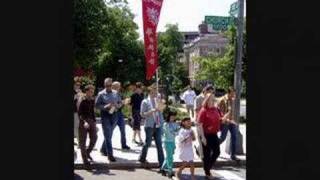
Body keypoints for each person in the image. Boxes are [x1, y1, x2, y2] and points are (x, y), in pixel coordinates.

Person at [197, 93, 229, 180]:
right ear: (207, 100)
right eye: (211, 99)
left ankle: (207, 167)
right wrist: (203, 137)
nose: (213, 100)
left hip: (214, 134)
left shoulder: (215, 109)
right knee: (207, 155)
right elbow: (199, 124)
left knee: (217, 152)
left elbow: (220, 119)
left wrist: (225, 118)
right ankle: (207, 172)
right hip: (206, 135)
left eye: (213, 99)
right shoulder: (203, 110)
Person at [138, 85, 165, 172]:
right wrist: (152, 110)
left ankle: (162, 165)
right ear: (150, 92)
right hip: (149, 125)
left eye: (156, 91)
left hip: (158, 125)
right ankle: (142, 157)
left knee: (159, 145)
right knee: (148, 143)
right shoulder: (145, 101)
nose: (156, 93)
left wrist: (161, 106)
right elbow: (142, 114)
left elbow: (161, 111)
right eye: (154, 91)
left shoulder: (158, 100)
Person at [95, 78, 121, 162]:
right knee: (108, 135)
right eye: (107, 85)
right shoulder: (101, 94)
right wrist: (106, 106)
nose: (108, 87)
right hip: (105, 115)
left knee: (108, 135)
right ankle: (110, 155)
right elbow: (97, 105)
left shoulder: (116, 93)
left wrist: (118, 105)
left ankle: (103, 149)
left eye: (110, 85)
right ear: (104, 85)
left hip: (114, 115)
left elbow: (120, 103)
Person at [78, 85, 97, 170]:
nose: (92, 93)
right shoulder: (82, 100)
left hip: (91, 121)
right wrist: (84, 122)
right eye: (91, 91)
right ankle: (85, 161)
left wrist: (95, 123)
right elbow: (80, 113)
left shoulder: (92, 100)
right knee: (82, 141)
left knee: (94, 138)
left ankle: (88, 152)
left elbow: (92, 112)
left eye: (93, 91)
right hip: (83, 122)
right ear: (86, 91)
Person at [218, 87, 240, 161]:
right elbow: (220, 113)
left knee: (234, 137)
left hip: (231, 122)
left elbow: (231, 112)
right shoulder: (222, 100)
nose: (234, 94)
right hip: (225, 122)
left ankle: (233, 155)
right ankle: (211, 148)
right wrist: (227, 120)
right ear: (229, 93)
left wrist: (233, 120)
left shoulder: (232, 100)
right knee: (222, 138)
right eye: (233, 93)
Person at [194, 84, 215, 158]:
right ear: (205, 90)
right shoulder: (198, 98)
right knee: (201, 139)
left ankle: (200, 150)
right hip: (200, 122)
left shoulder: (211, 98)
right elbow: (196, 111)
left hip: (208, 123)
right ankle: (202, 157)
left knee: (207, 140)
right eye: (209, 92)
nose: (211, 94)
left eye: (212, 92)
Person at [161, 111, 180, 178]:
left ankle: (162, 168)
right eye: (171, 116)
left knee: (169, 156)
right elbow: (172, 132)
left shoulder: (175, 124)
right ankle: (170, 171)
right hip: (167, 142)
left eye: (174, 116)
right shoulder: (165, 124)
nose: (173, 118)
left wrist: (176, 131)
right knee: (170, 158)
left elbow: (177, 132)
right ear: (168, 117)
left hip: (173, 142)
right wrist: (176, 131)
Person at [112, 81, 131, 150]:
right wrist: (123, 102)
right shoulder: (111, 94)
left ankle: (124, 144)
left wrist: (124, 102)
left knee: (123, 130)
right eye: (118, 86)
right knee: (110, 131)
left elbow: (120, 104)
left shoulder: (119, 94)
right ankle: (104, 147)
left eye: (119, 86)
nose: (119, 87)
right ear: (113, 87)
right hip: (114, 114)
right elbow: (115, 105)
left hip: (120, 114)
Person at [74, 80, 82, 146]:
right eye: (77, 85)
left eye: (79, 85)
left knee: (76, 127)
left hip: (76, 112)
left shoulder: (80, 92)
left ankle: (79, 142)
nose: (78, 86)